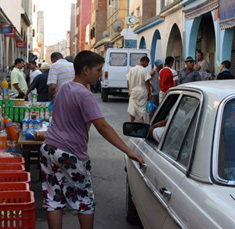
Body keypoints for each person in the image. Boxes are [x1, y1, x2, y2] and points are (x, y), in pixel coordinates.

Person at [41, 50, 144, 229]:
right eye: (98, 69)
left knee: (54, 199)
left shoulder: (64, 88)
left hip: (49, 149)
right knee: (84, 201)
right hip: (71, 153)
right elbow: (103, 127)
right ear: (86, 69)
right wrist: (128, 151)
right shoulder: (85, 95)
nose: (100, 74)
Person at [126, 56, 152, 123]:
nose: (147, 65)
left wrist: (129, 90)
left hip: (133, 92)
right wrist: (149, 93)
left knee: (132, 109)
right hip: (142, 93)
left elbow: (128, 81)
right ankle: (143, 124)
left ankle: (132, 122)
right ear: (144, 61)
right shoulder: (144, 70)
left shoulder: (132, 69)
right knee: (142, 110)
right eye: (147, 63)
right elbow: (147, 83)